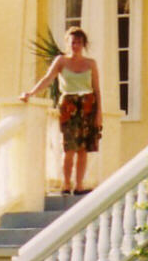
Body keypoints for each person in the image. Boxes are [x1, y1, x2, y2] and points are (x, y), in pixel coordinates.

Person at [20, 27, 102, 195]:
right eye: (72, 42)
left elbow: (97, 89)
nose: (75, 45)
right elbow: (47, 79)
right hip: (68, 105)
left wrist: (99, 112)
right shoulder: (61, 61)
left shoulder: (90, 63)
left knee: (83, 149)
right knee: (69, 147)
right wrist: (31, 93)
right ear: (67, 43)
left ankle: (79, 185)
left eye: (79, 42)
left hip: (87, 104)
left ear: (83, 44)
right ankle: (66, 184)